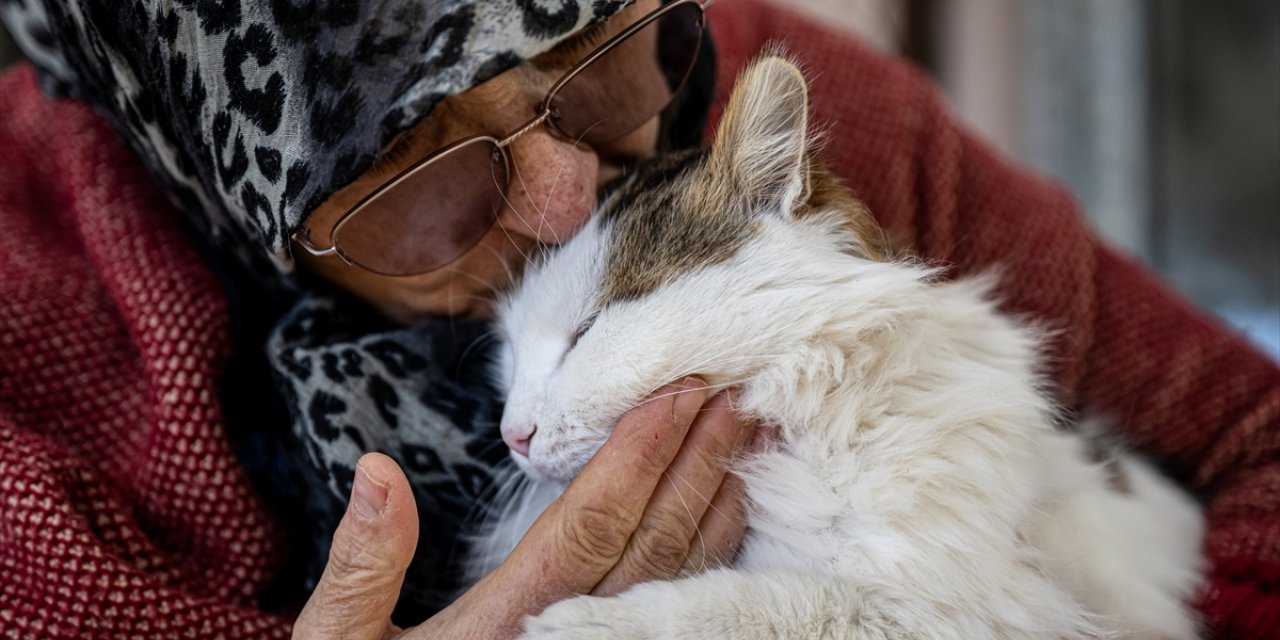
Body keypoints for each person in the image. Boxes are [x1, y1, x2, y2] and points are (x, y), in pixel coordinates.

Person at [0, 1, 1276, 639]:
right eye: (420, 176)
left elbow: (1253, 439)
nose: (567, 202)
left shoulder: (783, 92)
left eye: (589, 60)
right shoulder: (31, 331)